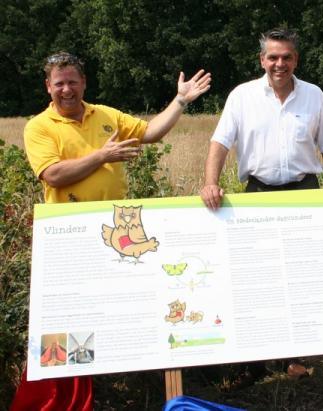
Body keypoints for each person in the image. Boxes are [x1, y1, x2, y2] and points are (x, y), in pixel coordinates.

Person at [12, 52, 211, 411]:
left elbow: (150, 132)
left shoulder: (106, 115)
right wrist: (101, 157)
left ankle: (116, 386)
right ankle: (67, 401)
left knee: (111, 310)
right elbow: (53, 175)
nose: (67, 89)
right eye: (59, 83)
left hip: (116, 235)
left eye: (73, 81)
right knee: (68, 319)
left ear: (84, 83)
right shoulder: (38, 126)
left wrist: (180, 101)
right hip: (68, 236)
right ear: (48, 86)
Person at [200, 28, 323, 381]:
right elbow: (220, 143)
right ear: (262, 60)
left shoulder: (314, 96)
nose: (280, 64)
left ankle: (293, 356)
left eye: (287, 57)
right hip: (257, 195)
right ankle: (254, 362)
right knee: (256, 278)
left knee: (300, 276)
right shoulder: (242, 96)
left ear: (296, 59)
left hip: (304, 192)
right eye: (273, 57)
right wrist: (210, 182)